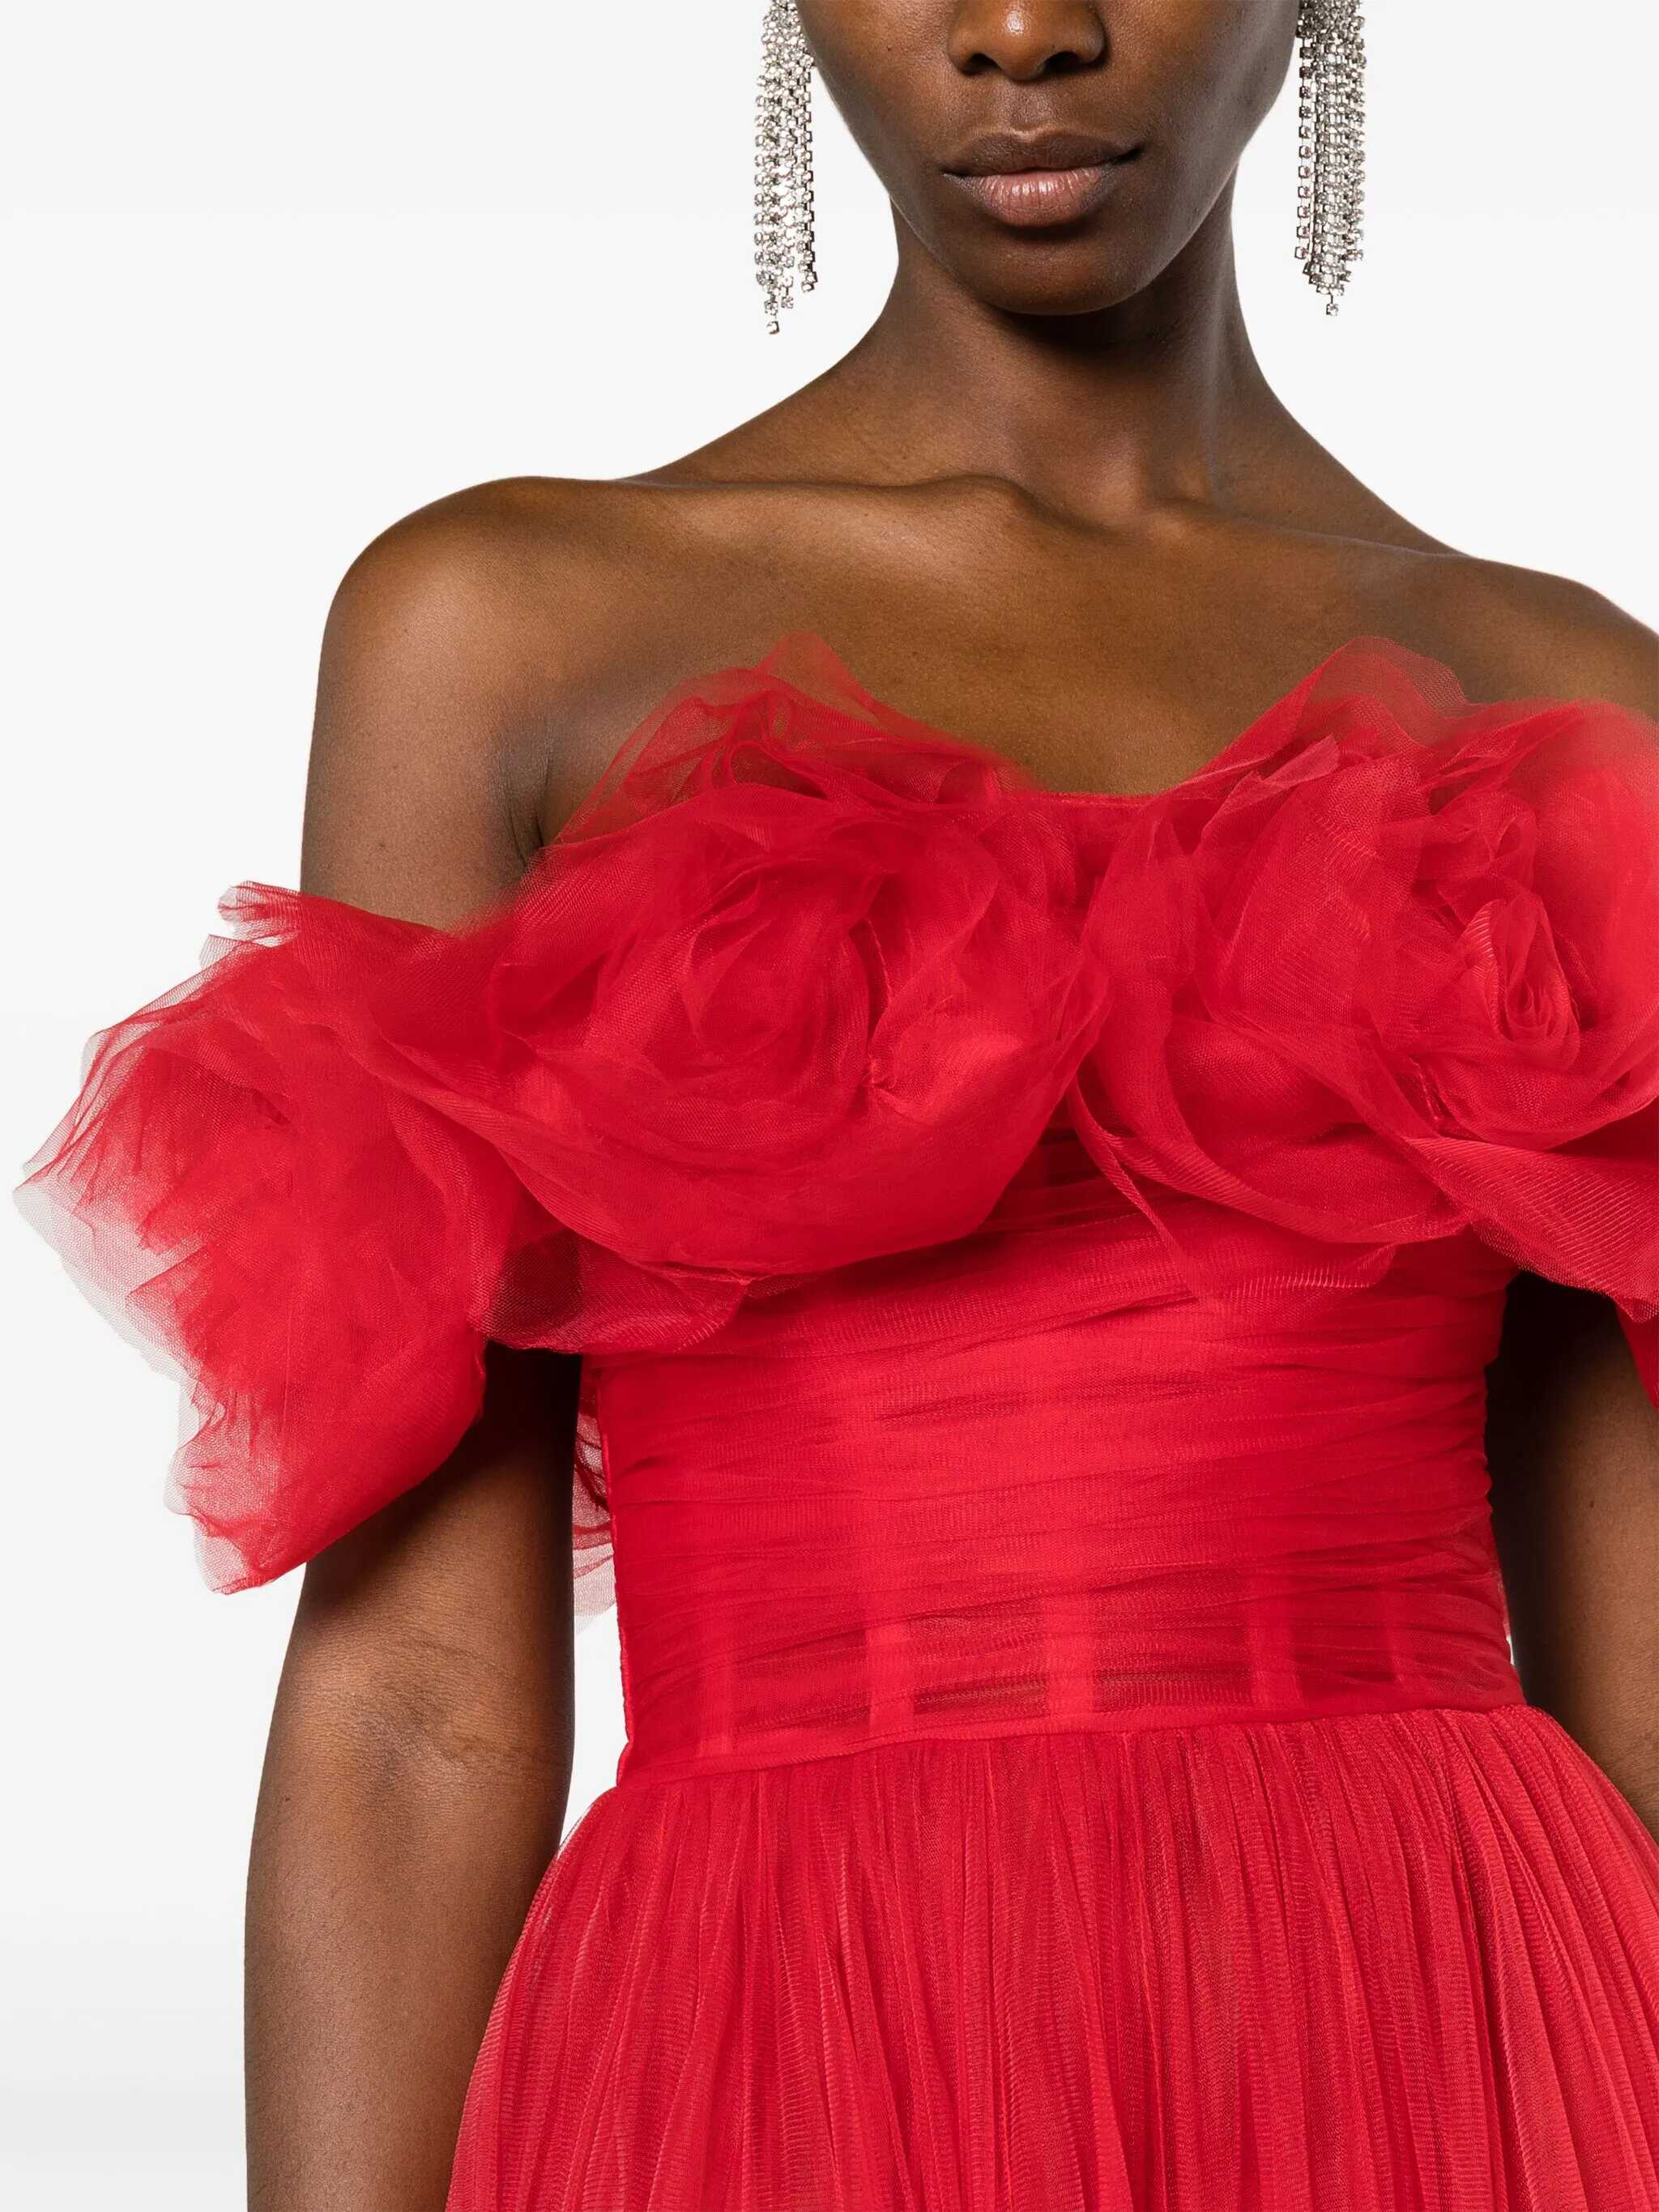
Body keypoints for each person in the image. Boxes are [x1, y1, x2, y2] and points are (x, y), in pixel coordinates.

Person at [18, 3, 1659, 2207]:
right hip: (783, 2029)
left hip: (1442, 2026)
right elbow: (419, 1697)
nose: (1021, 30)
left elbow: (1638, 1668)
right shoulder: (504, 635)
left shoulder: (1573, 695)